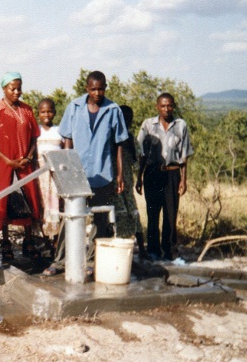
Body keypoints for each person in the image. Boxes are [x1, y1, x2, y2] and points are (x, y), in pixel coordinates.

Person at [45, 71, 129, 277]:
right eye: (93, 89)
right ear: (86, 88)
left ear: (105, 88)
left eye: (101, 88)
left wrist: (120, 175)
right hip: (77, 174)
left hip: (103, 173)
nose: (97, 93)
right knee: (72, 218)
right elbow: (67, 138)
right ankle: (61, 261)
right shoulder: (74, 107)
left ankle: (92, 261)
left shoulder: (113, 110)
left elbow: (119, 144)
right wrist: (67, 169)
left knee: (100, 221)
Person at [0, 72, 43, 262]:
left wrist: (30, 155)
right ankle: (5, 243)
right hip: (3, 165)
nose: (17, 92)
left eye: (19, 88)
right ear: (4, 89)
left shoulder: (27, 109)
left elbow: (34, 135)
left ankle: (29, 241)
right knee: (4, 201)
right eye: (12, 88)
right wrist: (7, 160)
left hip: (24, 164)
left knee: (28, 199)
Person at [135, 93, 194, 261]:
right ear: (157, 107)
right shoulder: (148, 125)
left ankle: (168, 250)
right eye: (163, 106)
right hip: (152, 174)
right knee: (153, 214)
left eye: (169, 106)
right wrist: (139, 178)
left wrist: (183, 180)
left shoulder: (180, 125)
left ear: (173, 106)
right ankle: (153, 251)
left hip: (172, 174)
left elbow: (184, 156)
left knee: (170, 215)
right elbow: (142, 154)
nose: (166, 109)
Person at [117, 105, 146, 257]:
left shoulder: (130, 137)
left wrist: (139, 179)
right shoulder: (111, 136)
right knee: (118, 214)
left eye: (129, 120)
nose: (126, 123)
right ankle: (120, 248)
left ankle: (141, 249)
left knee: (133, 213)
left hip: (127, 182)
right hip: (113, 183)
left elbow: (138, 160)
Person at [35, 98, 63, 239]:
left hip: (56, 173)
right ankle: (45, 238)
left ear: (54, 113)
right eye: (43, 112)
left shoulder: (59, 131)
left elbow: (64, 151)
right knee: (42, 202)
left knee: (55, 202)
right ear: (38, 113)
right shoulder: (36, 131)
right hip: (41, 174)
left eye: (49, 111)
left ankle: (56, 239)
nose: (46, 115)